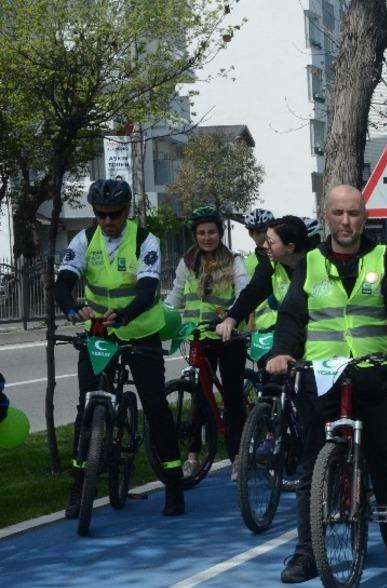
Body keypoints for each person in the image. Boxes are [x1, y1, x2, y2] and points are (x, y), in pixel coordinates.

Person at [266, 185, 387, 584]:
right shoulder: (309, 264)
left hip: (374, 375)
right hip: (320, 379)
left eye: (354, 213)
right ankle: (307, 553)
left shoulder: (383, 258)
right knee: (312, 470)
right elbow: (292, 316)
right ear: (326, 216)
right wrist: (282, 351)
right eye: (338, 213)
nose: (346, 221)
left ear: (364, 216)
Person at [54, 178, 186, 516]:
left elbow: (147, 289)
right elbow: (64, 283)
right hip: (100, 332)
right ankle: (79, 486)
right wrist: (71, 308)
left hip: (140, 329)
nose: (108, 222)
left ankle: (173, 486)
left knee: (155, 407)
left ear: (126, 212)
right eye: (101, 215)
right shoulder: (83, 240)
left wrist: (126, 314)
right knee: (87, 407)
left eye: (114, 215)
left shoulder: (146, 240)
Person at [165, 206, 249, 477]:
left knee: (233, 397)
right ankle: (192, 456)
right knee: (199, 396)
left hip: (228, 339)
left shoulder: (234, 261)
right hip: (199, 339)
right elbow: (175, 297)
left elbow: (244, 294)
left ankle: (238, 457)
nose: (207, 237)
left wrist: (231, 319)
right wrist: (160, 319)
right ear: (195, 235)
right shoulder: (186, 263)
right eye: (201, 232)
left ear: (220, 233)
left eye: (212, 231)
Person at [216, 216, 313, 344]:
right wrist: (231, 319)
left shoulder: (321, 263)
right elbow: (253, 291)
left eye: (271, 242)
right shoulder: (271, 264)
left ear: (290, 247)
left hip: (325, 346)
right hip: (292, 338)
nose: (264, 245)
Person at [241, 208, 276, 329]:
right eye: (259, 232)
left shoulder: (283, 255)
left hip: (286, 322)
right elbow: (249, 293)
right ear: (251, 233)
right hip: (261, 326)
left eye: (266, 230)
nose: (264, 235)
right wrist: (250, 323)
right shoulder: (248, 263)